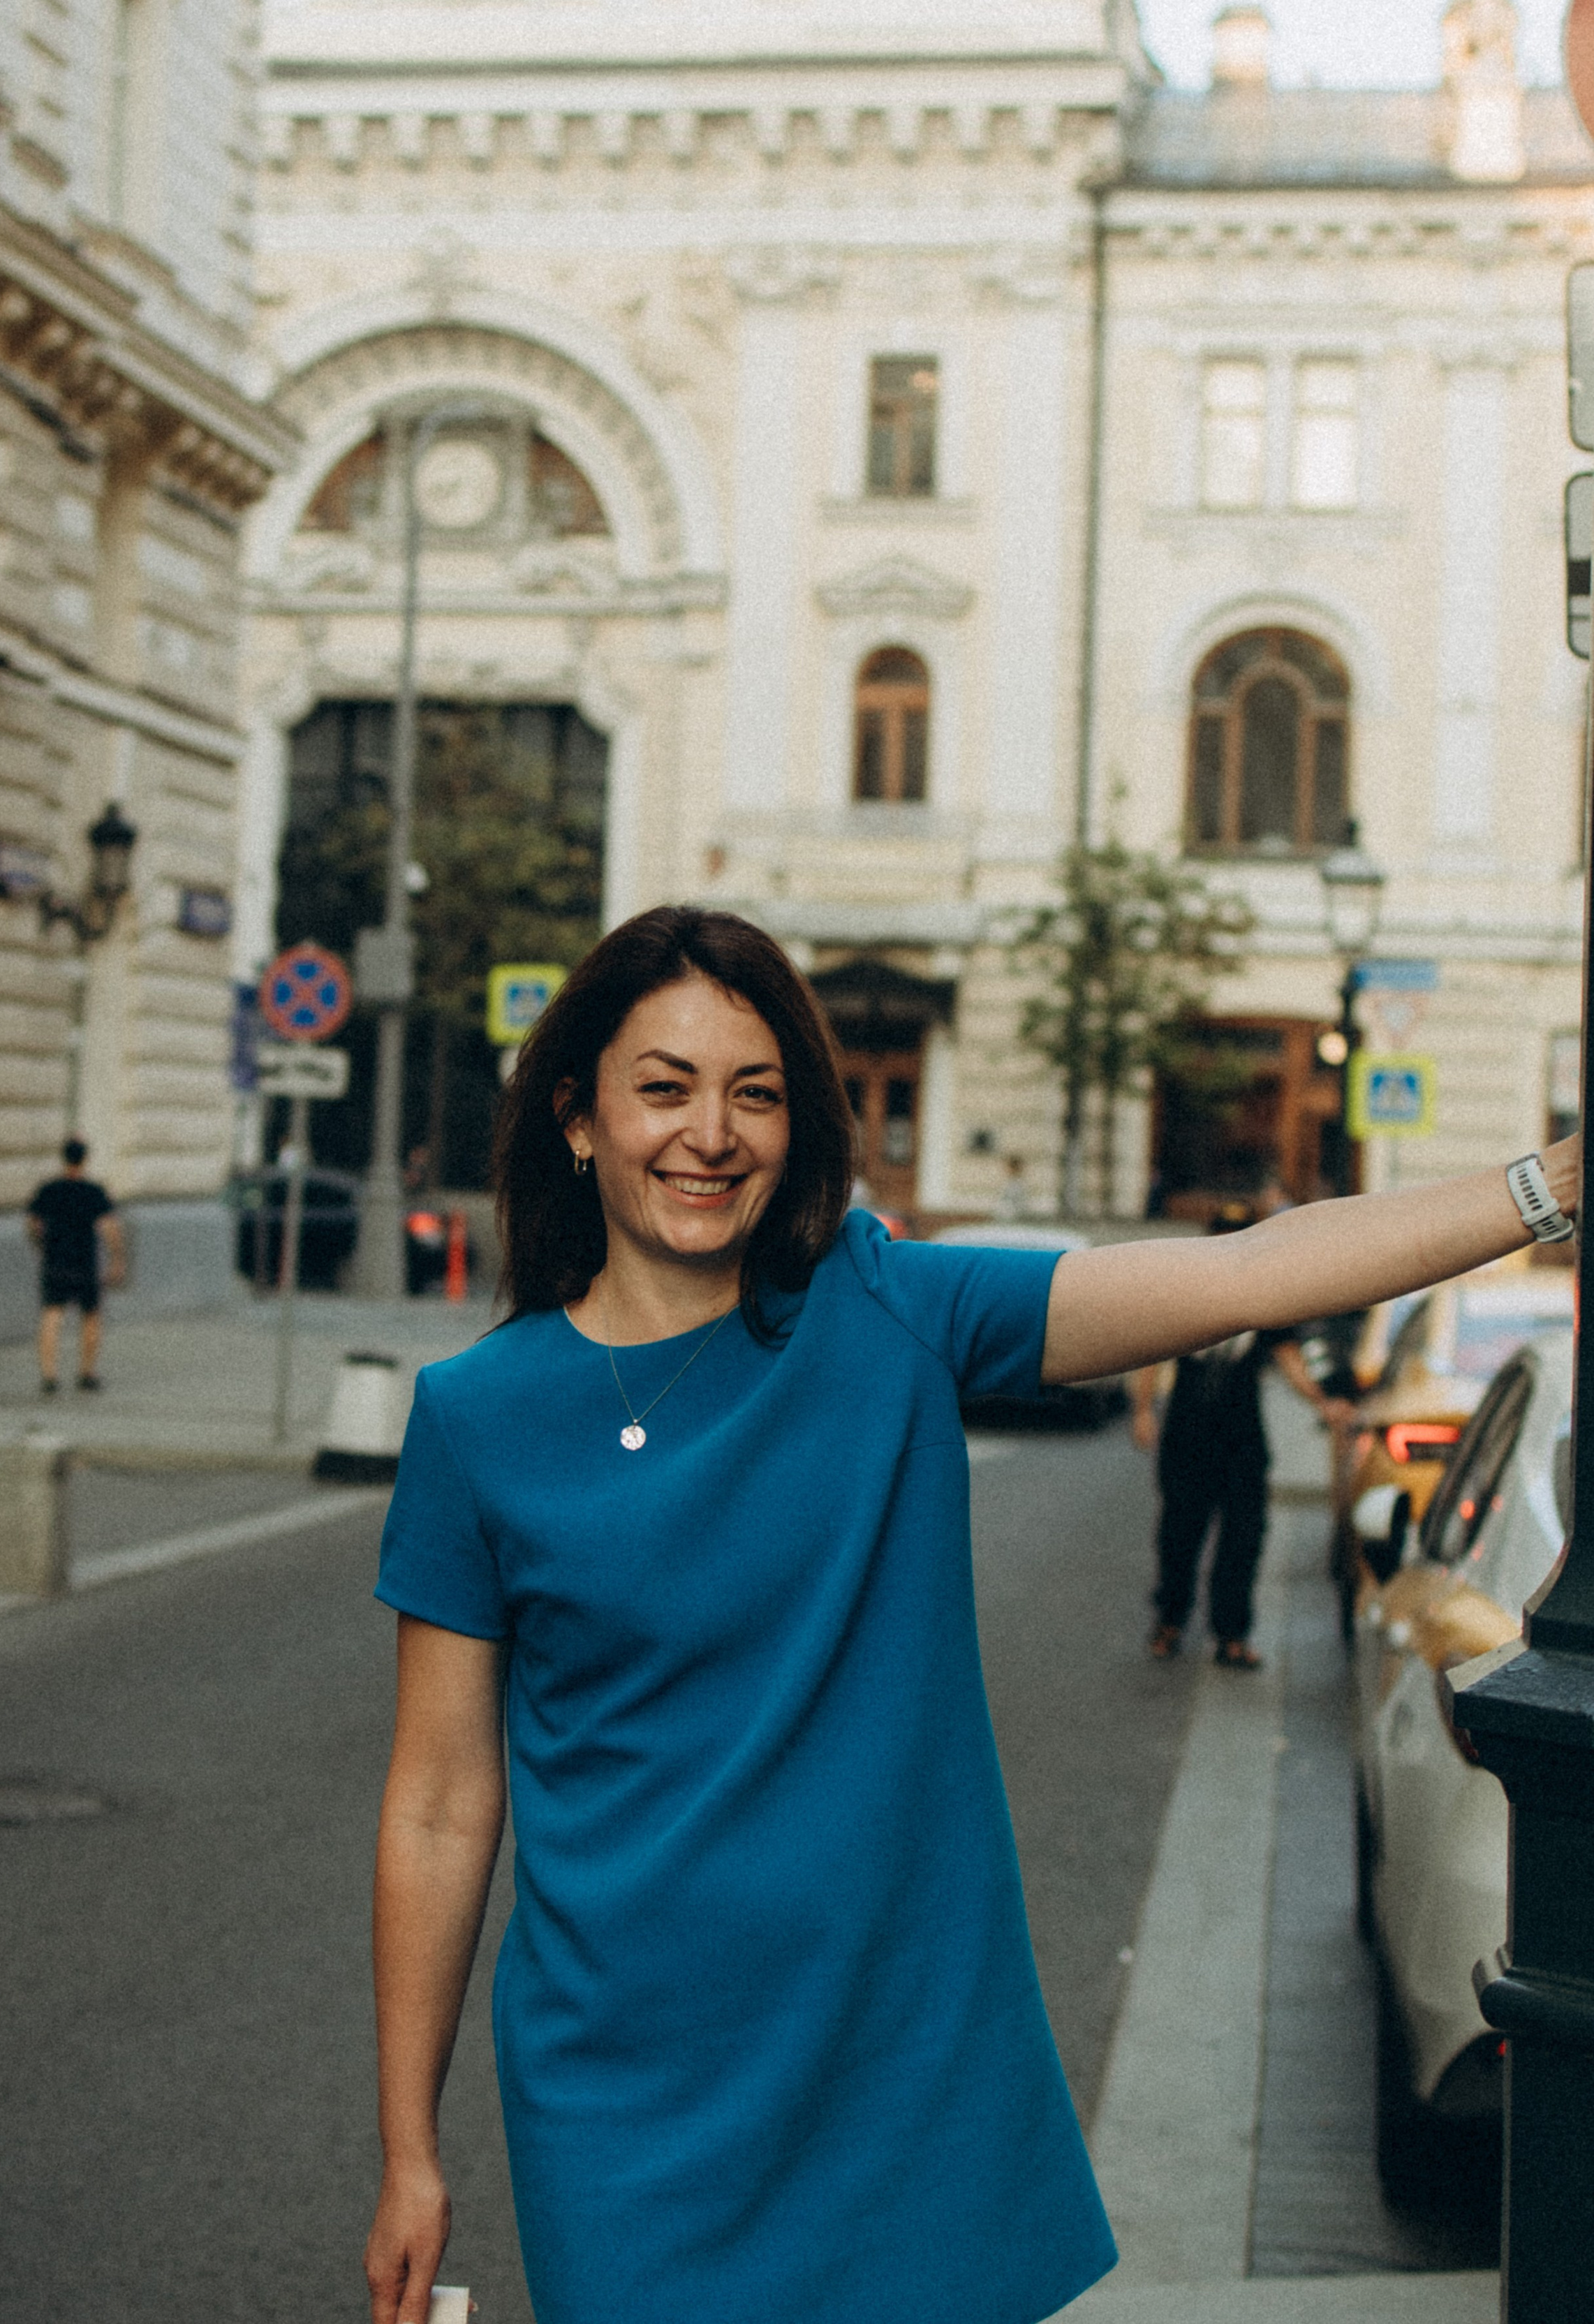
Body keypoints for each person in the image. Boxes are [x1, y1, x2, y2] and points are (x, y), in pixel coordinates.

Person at [362, 904, 1580, 2324]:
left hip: (895, 2056)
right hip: (622, 2088)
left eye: (754, 1093)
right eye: (663, 1086)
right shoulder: (476, 1419)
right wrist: (408, 2149)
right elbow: (440, 1802)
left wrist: (1549, 1185)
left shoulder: (879, 1311)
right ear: (576, 1118)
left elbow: (1247, 1273)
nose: (711, 1133)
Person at [1132, 1205, 1358, 1669]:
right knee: (1179, 1535)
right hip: (1187, 1435)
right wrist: (1142, 1411)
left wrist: (1322, 1402)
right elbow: (1150, 1353)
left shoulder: (1266, 1299)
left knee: (1244, 1537)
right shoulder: (1182, 1292)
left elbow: (1291, 1360)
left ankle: (1232, 1635)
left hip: (1242, 1440)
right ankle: (1169, 1622)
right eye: (1221, 1235)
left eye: (1237, 1236)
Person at [26, 1138, 126, 1394]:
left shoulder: (49, 1189)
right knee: (91, 1316)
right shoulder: (93, 1191)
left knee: (52, 1314)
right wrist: (117, 1260)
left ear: (64, 1158)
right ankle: (87, 1373)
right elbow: (109, 1228)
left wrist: (40, 1244)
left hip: (55, 1260)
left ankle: (49, 1375)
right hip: (85, 1263)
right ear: (85, 1159)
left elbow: (34, 1223)